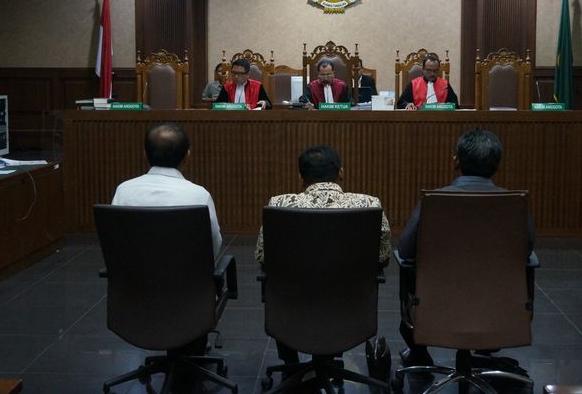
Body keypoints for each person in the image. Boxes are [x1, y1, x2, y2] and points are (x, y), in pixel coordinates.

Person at [396, 128, 536, 367]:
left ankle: (419, 355)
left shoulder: (433, 201)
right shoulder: (514, 205)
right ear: (497, 165)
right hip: (499, 310)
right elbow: (527, 250)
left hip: (436, 307)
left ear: (455, 161)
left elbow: (406, 251)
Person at [254, 145, 392, 364]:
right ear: (341, 172)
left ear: (301, 176)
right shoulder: (369, 205)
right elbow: (383, 256)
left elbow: (263, 256)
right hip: (349, 306)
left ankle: (291, 365)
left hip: (292, 307)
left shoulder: (279, 204)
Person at [112, 122, 223, 258]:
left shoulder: (123, 191)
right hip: (187, 276)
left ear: (145, 154)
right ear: (187, 156)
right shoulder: (199, 196)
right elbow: (213, 245)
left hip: (132, 276)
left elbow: (115, 241)